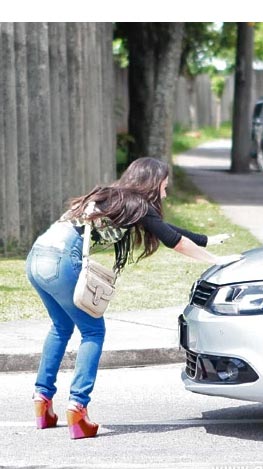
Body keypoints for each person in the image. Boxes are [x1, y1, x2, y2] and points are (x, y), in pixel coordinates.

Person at [27, 157, 236, 440]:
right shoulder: (136, 204)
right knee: (93, 331)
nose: (165, 192)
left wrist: (207, 240)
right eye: (164, 186)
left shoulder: (118, 199)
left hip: (38, 256)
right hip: (63, 260)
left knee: (61, 327)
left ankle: (43, 404)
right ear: (152, 182)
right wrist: (216, 260)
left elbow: (165, 229)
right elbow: (172, 240)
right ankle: (78, 407)